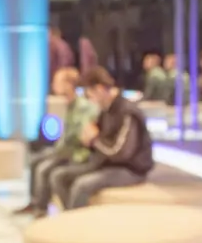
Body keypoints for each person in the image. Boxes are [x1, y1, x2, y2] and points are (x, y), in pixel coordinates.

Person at [49, 66, 154, 210]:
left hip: (130, 169)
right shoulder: (105, 111)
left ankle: (76, 220)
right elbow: (96, 141)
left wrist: (94, 140)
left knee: (82, 185)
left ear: (99, 89)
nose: (90, 100)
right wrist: (87, 140)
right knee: (59, 176)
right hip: (107, 164)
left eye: (90, 95)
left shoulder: (127, 113)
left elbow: (120, 153)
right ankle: (71, 215)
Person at [16, 67, 99, 217]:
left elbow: (80, 136)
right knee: (35, 161)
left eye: (57, 81)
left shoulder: (83, 107)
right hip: (64, 150)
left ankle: (41, 209)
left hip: (76, 153)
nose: (53, 85)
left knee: (45, 169)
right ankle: (35, 203)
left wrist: (60, 148)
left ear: (68, 84)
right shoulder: (70, 105)